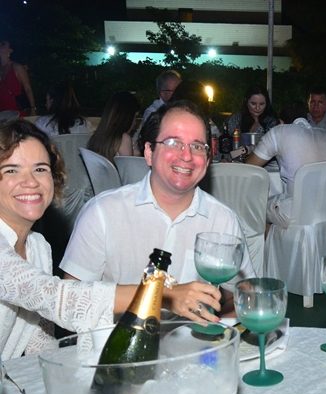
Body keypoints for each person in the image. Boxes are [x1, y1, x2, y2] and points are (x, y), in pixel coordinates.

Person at [0, 119, 220, 359]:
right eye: (11, 170)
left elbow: (38, 343)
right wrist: (165, 294)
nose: (31, 181)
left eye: (40, 168)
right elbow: (58, 297)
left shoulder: (38, 247)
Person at [61, 100, 254, 313]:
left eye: (197, 146)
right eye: (173, 143)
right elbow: (70, 302)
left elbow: (244, 293)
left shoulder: (222, 219)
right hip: (117, 342)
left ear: (207, 161)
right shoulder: (103, 212)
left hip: (193, 344)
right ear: (149, 153)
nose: (187, 155)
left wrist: (222, 331)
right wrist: (164, 296)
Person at [246, 101, 326, 228]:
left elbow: (249, 166)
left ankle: (270, 245)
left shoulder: (278, 132)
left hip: (296, 213)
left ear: (281, 122)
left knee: (252, 205)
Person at [87, 91, 140, 162]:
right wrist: (137, 155)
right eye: (135, 117)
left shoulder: (96, 137)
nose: (135, 123)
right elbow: (128, 170)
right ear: (127, 118)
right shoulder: (123, 139)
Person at [0, 39, 36, 116]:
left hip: (16, 111)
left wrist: (33, 109)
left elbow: (28, 89)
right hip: (2, 112)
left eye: (3, 44)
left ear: (10, 50)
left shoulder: (17, 67)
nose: (0, 45)